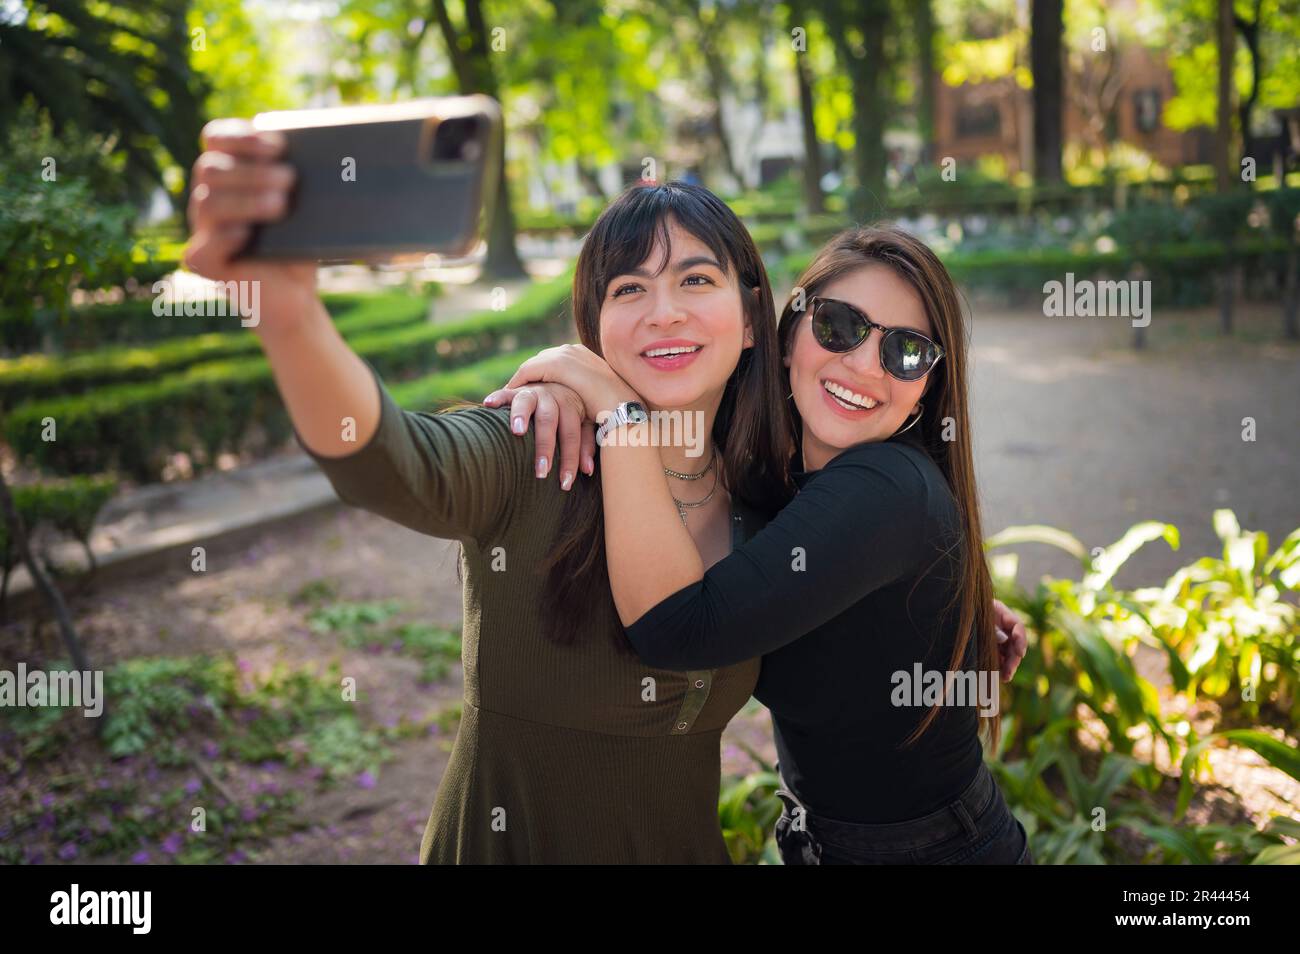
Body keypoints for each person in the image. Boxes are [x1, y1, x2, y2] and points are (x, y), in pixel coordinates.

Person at [488, 224, 1033, 864]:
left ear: (926, 387)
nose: (863, 364)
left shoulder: (885, 489)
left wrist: (614, 406)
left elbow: (677, 630)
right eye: (839, 325)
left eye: (907, 352)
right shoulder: (771, 475)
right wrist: (561, 394)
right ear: (787, 335)